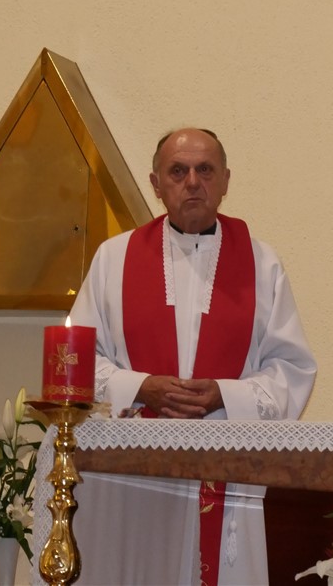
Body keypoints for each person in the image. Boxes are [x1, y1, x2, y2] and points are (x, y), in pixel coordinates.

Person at [69, 127, 317, 585]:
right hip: (134, 481)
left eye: (205, 170)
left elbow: (292, 368)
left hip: (226, 471)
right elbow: (78, 362)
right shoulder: (113, 260)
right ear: (156, 184)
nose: (193, 182)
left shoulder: (262, 265)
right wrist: (141, 387)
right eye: (178, 171)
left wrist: (223, 395)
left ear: (225, 181)